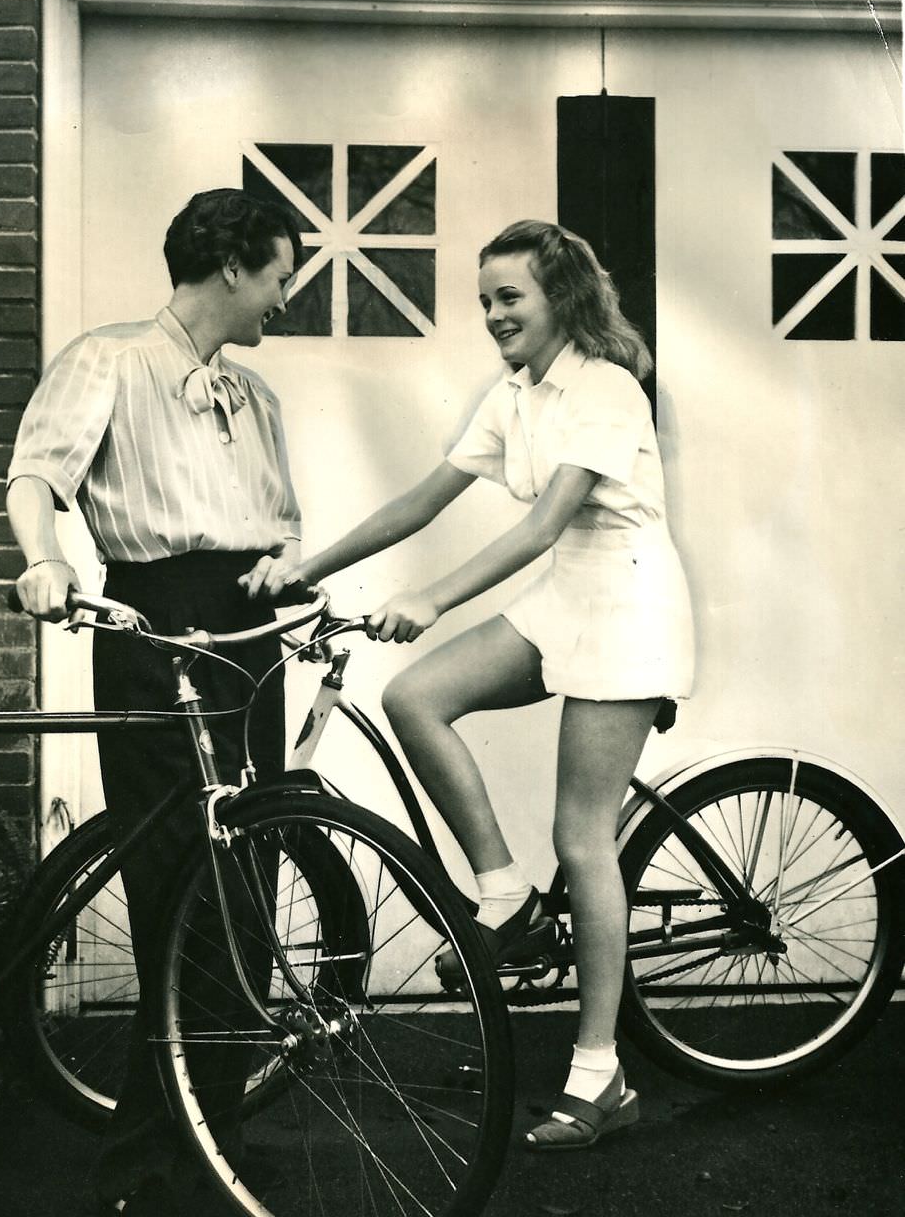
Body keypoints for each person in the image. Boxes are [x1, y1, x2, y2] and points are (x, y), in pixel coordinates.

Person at [247, 219, 695, 1151]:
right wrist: (310, 568)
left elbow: (541, 528)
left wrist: (433, 598)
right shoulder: (516, 390)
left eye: (510, 297)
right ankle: (504, 897)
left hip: (627, 606)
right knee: (416, 697)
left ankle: (599, 1073)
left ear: (560, 298)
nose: (492, 314)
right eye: (485, 298)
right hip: (566, 593)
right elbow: (424, 496)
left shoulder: (606, 388)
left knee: (582, 837)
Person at [6, 188, 303, 1213]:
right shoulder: (111, 359)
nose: (283, 294)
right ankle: (141, 1164)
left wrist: (281, 573)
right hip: (159, 630)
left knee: (246, 902)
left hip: (251, 639)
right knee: (181, 901)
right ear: (232, 266)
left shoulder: (253, 394)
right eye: (278, 272)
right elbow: (35, 479)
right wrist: (45, 563)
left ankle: (210, 1143)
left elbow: (277, 523)